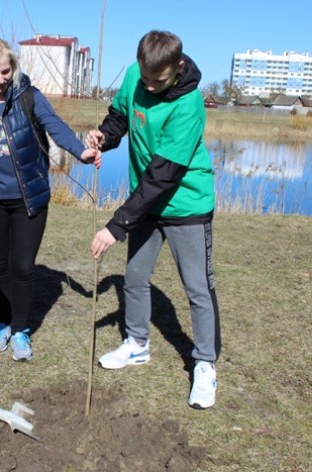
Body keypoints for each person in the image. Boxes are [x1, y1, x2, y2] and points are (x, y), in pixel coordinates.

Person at [87, 31, 221, 409]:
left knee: (197, 287)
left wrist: (117, 225)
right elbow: (119, 116)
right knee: (134, 277)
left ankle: (205, 364)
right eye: (144, 78)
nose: (148, 86)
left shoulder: (190, 105)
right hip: (146, 206)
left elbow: (163, 175)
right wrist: (104, 137)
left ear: (178, 68)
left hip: (186, 206)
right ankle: (136, 344)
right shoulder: (136, 74)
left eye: (156, 81)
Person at [0, 38, 100, 362]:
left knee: (22, 267)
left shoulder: (28, 97)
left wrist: (81, 151)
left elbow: (56, 127)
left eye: (6, 71)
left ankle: (21, 329)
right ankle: (3, 321)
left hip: (28, 197)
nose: (1, 79)